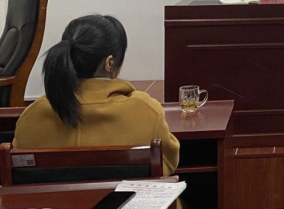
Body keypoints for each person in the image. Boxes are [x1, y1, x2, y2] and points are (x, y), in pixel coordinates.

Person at [14, 14, 180, 176]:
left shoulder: (33, 115)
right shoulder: (145, 111)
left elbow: (19, 168)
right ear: (109, 63)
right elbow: (167, 164)